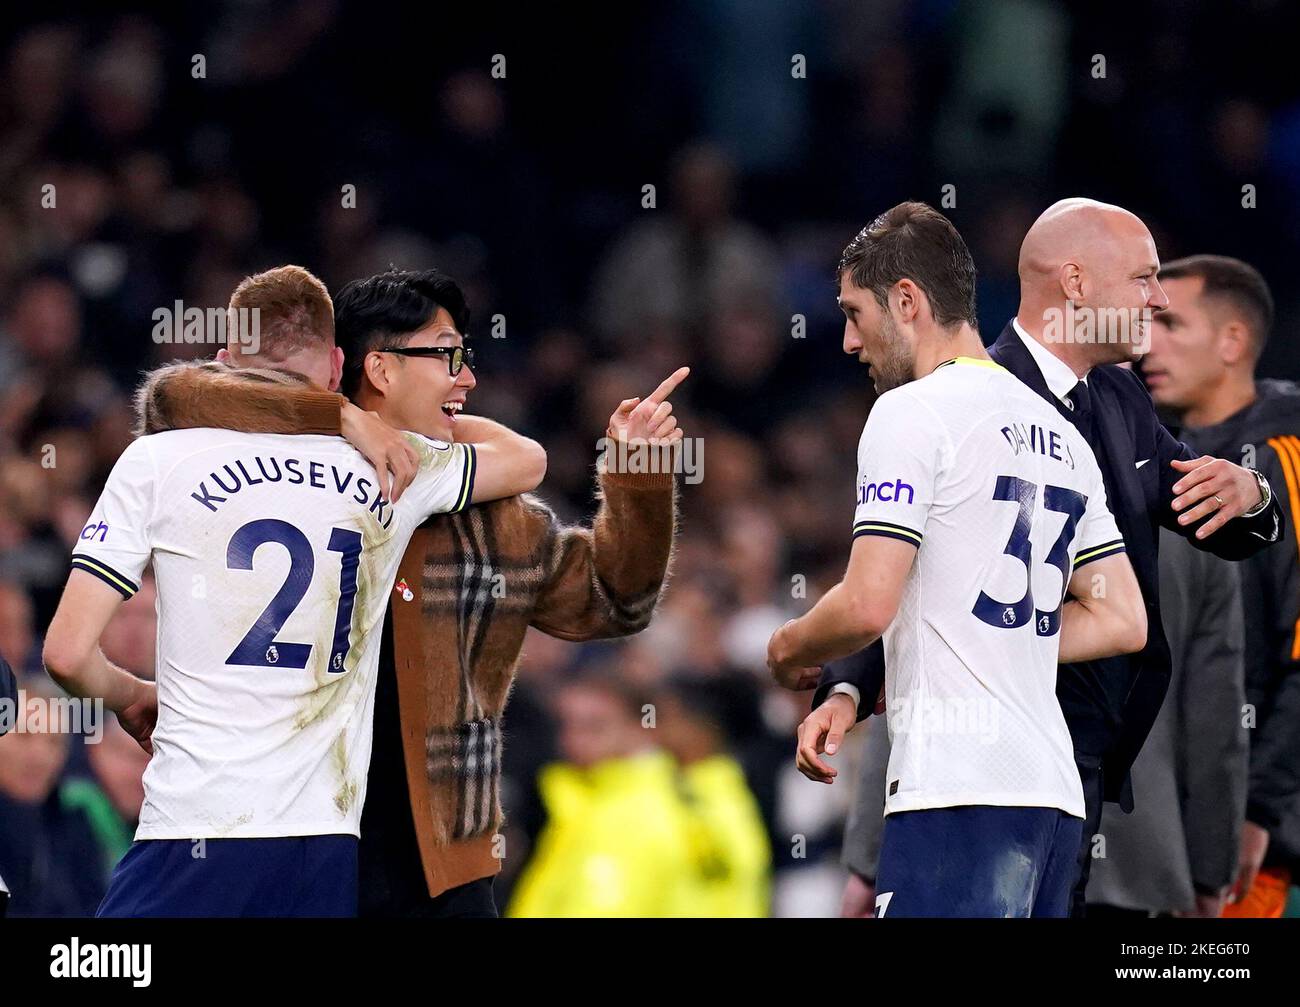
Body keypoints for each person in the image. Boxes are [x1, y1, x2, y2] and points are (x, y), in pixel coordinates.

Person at [137, 267, 685, 917]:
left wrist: (639, 479)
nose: (468, 379)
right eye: (449, 355)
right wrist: (339, 418)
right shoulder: (277, 473)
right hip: (291, 847)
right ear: (380, 368)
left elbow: (615, 599)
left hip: (447, 873)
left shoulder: (498, 517)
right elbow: (176, 396)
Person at [801, 198, 1285, 916]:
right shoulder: (959, 396)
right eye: (1145, 278)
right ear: (1078, 284)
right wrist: (843, 686)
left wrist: (1250, 495)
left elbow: (1211, 514)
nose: (1155, 297)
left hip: (1074, 767)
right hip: (979, 770)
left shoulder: (1121, 400)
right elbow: (902, 578)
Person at [41, 265, 547, 917]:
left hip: (196, 834)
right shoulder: (395, 465)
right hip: (324, 851)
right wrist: (349, 416)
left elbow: (65, 654)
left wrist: (131, 694)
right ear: (337, 366)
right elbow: (528, 458)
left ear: (224, 365)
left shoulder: (157, 460)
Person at [766, 201, 1147, 917]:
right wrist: (998, 643)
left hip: (957, 793)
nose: (850, 341)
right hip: (1053, 799)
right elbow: (1123, 617)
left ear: (906, 300)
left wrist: (786, 648)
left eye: (854, 313)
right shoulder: (1058, 430)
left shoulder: (912, 411)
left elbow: (866, 602)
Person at [837, 530, 1248, 920]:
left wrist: (869, 856)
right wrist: (1210, 870)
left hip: (977, 827)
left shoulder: (971, 475)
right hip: (1139, 856)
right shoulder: (1195, 501)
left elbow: (917, 676)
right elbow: (1213, 716)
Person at [1144, 254, 1300, 916]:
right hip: (1182, 821)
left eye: (1172, 324)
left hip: (1259, 842)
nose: (1147, 342)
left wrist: (1261, 809)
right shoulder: (1162, 459)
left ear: (1232, 341)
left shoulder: (1286, 453)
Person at [507, 674, 697, 917]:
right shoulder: (586, 800)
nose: (573, 739)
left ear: (642, 728)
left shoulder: (634, 814)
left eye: (595, 726)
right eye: (566, 724)